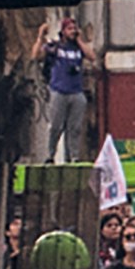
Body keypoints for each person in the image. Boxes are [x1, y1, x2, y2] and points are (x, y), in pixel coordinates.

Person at [38, 16, 92, 164]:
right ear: (63, 31)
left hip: (76, 91)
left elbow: (92, 56)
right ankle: (50, 155)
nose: (72, 31)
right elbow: (36, 55)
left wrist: (80, 40)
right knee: (56, 126)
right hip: (59, 91)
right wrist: (40, 36)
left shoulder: (78, 49)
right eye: (69, 29)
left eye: (74, 29)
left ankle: (73, 157)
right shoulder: (55, 47)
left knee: (74, 128)